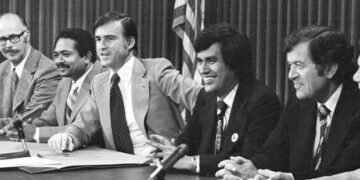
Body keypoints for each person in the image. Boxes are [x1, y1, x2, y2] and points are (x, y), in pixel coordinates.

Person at [215, 25, 360, 180]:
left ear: (330, 68)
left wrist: (291, 178)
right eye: (290, 66)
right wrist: (250, 168)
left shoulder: (355, 103)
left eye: (299, 65)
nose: (291, 75)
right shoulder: (301, 101)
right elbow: (274, 151)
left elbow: (342, 172)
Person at [47, 12, 202, 156]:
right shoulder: (99, 83)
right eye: (98, 39)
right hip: (119, 166)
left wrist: (184, 144)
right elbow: (83, 125)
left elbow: (203, 99)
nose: (102, 46)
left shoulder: (156, 70)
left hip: (160, 164)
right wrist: (68, 136)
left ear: (129, 42)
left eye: (110, 39)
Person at [147, 23, 282, 176]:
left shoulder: (262, 101)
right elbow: (189, 139)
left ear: (234, 63)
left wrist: (193, 163)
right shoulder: (206, 96)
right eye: (199, 61)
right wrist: (173, 151)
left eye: (211, 61)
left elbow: (248, 161)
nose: (202, 69)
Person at [6, 28, 105, 143]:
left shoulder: (104, 80)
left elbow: (83, 127)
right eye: (56, 55)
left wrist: (36, 133)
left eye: (66, 54)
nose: (58, 61)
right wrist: (22, 127)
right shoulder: (65, 82)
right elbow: (47, 120)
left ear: (86, 57)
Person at [0, 13, 60, 132]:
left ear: (26, 36)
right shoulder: (1, 69)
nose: (8, 45)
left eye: (13, 37)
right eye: (2, 39)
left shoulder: (48, 71)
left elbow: (27, 122)